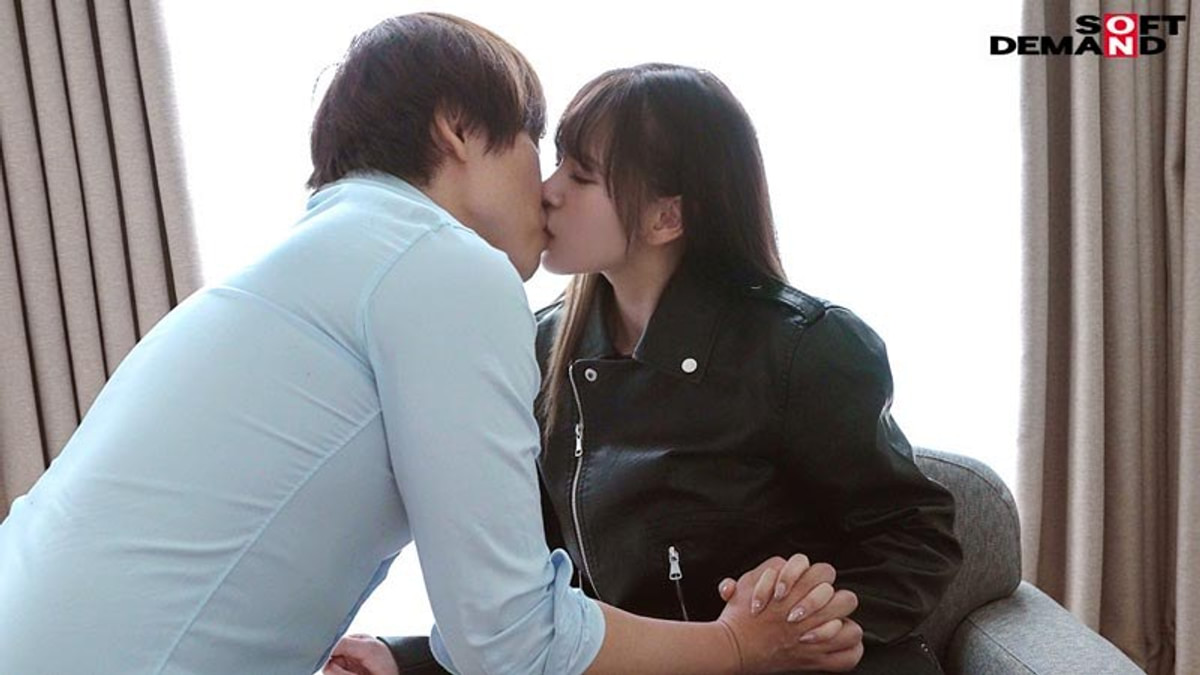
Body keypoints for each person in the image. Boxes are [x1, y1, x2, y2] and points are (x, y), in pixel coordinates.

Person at [0, 16, 857, 675]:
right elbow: (511, 637)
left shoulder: (328, 257)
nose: (545, 191)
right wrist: (739, 644)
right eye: (534, 146)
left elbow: (494, 609)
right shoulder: (441, 265)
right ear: (456, 130)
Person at [337, 64, 962, 675]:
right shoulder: (537, 348)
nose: (548, 189)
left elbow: (916, 533)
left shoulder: (803, 345)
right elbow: (534, 593)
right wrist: (407, 659)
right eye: (558, 162)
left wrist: (823, 618)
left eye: (581, 176)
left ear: (667, 217)